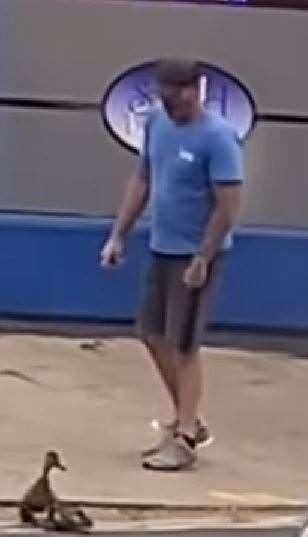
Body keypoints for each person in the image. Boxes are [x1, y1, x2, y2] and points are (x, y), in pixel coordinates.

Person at [100, 58, 244, 471]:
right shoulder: (156, 125)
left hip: (195, 256)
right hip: (161, 248)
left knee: (184, 345)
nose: (172, 104)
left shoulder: (218, 138)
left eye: (178, 95)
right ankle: (189, 418)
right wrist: (118, 235)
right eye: (165, 96)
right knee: (151, 333)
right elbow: (142, 179)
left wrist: (203, 257)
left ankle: (183, 437)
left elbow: (228, 206)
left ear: (196, 88)